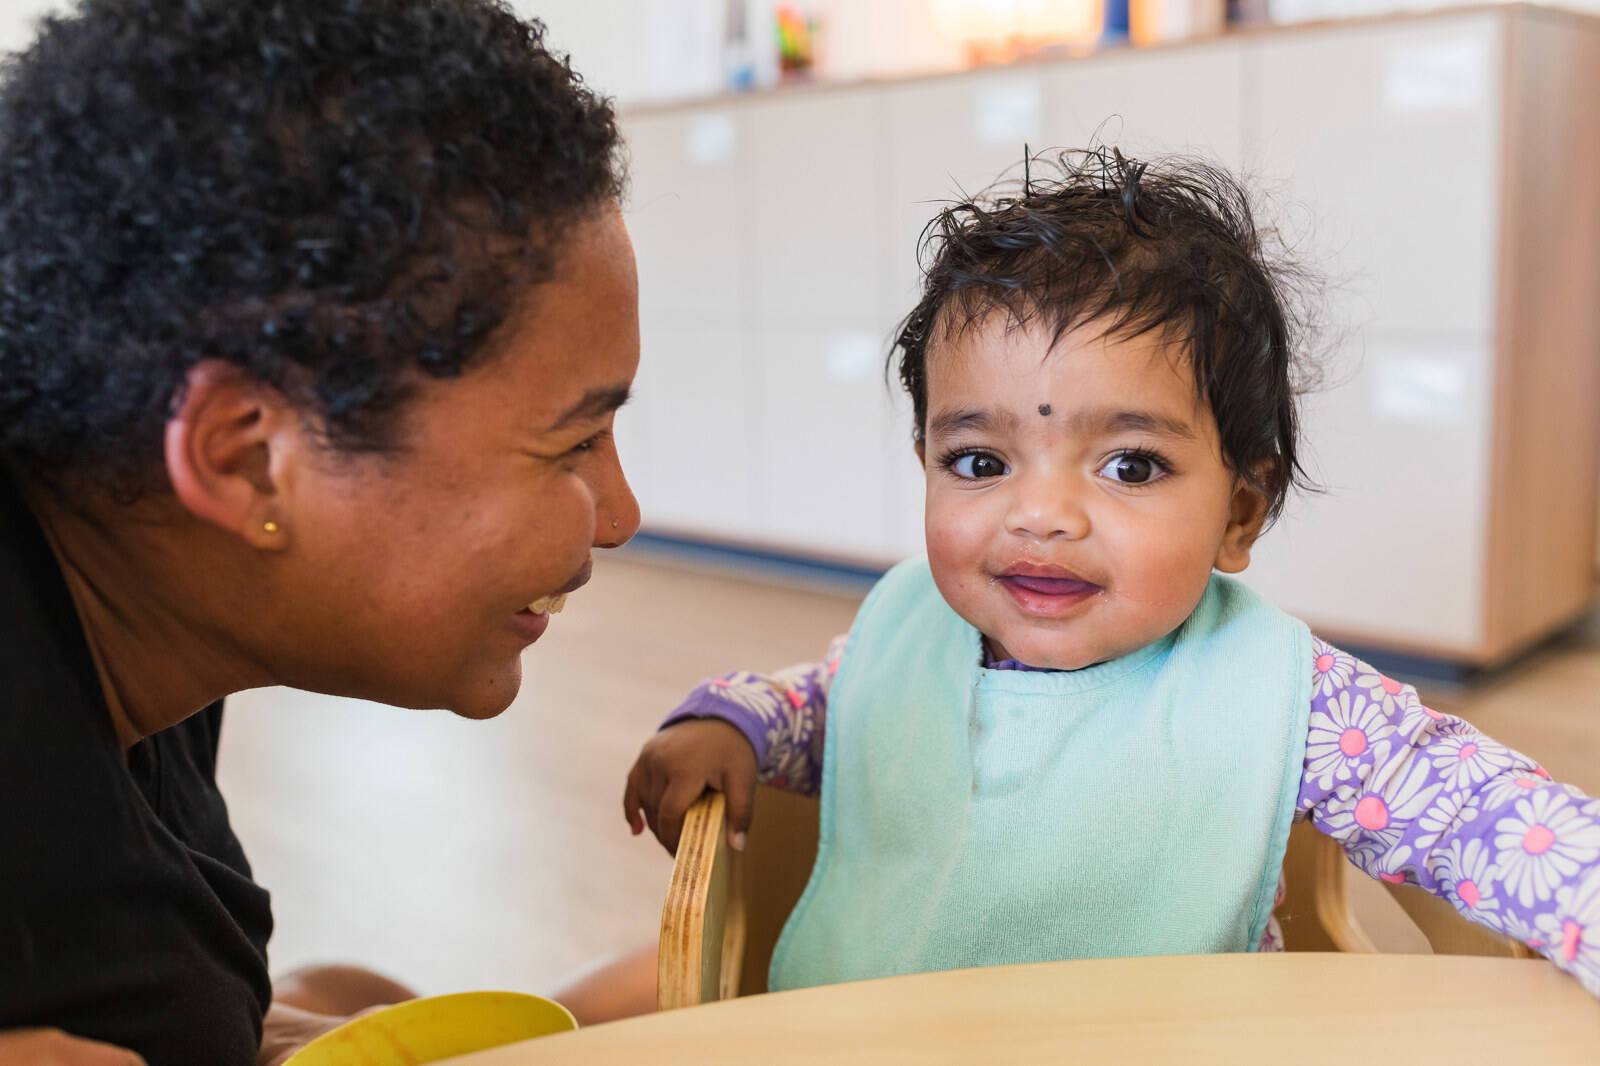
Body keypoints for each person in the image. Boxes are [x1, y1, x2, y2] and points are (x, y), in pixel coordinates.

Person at [624, 149, 1600, 997]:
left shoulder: (1286, 700)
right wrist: (737, 721)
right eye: (979, 462)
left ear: (1240, 512)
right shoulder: (910, 632)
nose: (1040, 514)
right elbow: (838, 709)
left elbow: (1483, 810)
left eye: (1130, 465)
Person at [0, 0, 653, 1062]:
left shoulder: (117, 602)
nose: (620, 515)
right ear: (248, 454)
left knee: (354, 987)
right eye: (571, 443)